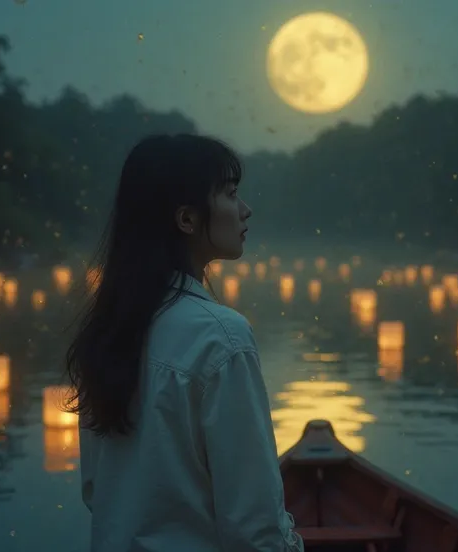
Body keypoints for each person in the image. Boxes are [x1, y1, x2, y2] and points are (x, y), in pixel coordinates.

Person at [64, 134, 303, 552]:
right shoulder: (221, 337)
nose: (245, 210)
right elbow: (254, 526)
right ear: (187, 220)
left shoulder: (106, 330)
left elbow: (95, 490)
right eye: (230, 194)